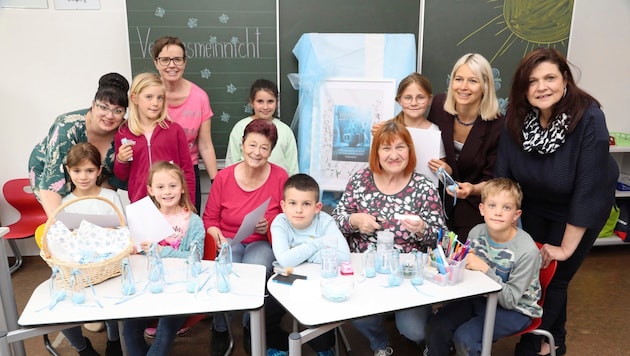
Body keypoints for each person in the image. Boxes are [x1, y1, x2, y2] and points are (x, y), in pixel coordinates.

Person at [495, 48, 618, 356]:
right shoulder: (516, 115)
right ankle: (555, 339)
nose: (542, 87)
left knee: (556, 276)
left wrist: (564, 248)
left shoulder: (589, 117)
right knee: (536, 272)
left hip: (582, 205)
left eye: (549, 77)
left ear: (565, 79)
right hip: (537, 201)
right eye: (532, 81)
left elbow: (587, 189)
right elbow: (504, 175)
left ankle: (536, 343)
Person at [332, 121, 446, 356]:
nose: (393, 155)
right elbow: (334, 221)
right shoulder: (360, 180)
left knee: (414, 330)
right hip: (366, 272)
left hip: (409, 274)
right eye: (386, 148)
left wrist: (422, 229)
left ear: (409, 151)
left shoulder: (424, 187)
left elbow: (442, 240)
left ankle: (426, 336)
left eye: (400, 147)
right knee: (356, 312)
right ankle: (380, 344)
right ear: (376, 153)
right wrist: (355, 220)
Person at [425, 178, 542, 356]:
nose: (498, 213)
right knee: (437, 324)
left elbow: (510, 300)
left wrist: (485, 269)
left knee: (466, 338)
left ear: (516, 215)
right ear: (482, 209)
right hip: (481, 298)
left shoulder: (527, 252)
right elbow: (470, 274)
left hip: (517, 310)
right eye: (492, 205)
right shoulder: (476, 233)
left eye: (507, 208)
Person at [203, 119, 288, 356]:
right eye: (252, 145)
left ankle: (252, 328)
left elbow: (287, 221)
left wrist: (268, 225)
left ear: (271, 151)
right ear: (242, 144)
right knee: (224, 268)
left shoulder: (280, 177)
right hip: (229, 239)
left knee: (255, 268)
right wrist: (214, 233)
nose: (257, 152)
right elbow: (209, 219)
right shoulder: (224, 177)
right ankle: (220, 328)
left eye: (264, 148)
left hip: (261, 241)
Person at [122, 161, 205, 356]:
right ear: (150, 190)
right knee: (128, 329)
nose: (167, 192)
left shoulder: (193, 222)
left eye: (173, 186)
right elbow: (137, 253)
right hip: (148, 289)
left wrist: (160, 251)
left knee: (165, 328)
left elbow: (195, 259)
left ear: (182, 188)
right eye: (160, 187)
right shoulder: (143, 219)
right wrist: (133, 249)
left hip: (180, 291)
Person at [267, 173, 351, 356]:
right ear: (283, 206)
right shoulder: (280, 222)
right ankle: (277, 346)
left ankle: (324, 347)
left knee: (319, 307)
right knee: (267, 307)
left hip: (318, 278)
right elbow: (286, 260)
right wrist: (318, 244)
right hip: (285, 278)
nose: (299, 210)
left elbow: (344, 257)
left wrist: (301, 255)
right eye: (292, 203)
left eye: (306, 204)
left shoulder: (325, 221)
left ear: (317, 207)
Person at [29, 72, 129, 217]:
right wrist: (62, 227)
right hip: (50, 172)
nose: (110, 116)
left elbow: (108, 185)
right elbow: (52, 184)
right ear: (93, 105)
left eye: (118, 111)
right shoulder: (66, 128)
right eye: (103, 107)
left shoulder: (125, 132)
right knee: (66, 220)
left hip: (93, 179)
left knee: (92, 219)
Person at [427, 53, 503, 242]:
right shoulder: (438, 105)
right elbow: (418, 130)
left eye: (472, 81)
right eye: (458, 79)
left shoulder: (498, 125)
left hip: (474, 205)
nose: (463, 87)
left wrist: (473, 189)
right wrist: (386, 127)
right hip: (435, 200)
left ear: (485, 87)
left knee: (461, 260)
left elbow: (495, 178)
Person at [57, 142, 125, 356]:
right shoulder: (64, 203)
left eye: (89, 170)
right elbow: (61, 242)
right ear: (68, 171)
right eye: (77, 171)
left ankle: (114, 338)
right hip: (76, 270)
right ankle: (82, 347)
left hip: (108, 267)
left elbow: (122, 231)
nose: (83, 176)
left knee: (115, 297)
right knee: (59, 307)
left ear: (98, 171)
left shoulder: (111, 198)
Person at [152, 35, 218, 212]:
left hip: (187, 173)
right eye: (165, 60)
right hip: (155, 174)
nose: (171, 65)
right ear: (156, 62)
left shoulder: (199, 97)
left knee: (188, 226)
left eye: (177, 59)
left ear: (185, 62)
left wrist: (216, 183)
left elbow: (205, 145)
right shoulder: (149, 96)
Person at [114, 72, 195, 205]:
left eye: (160, 98)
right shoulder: (123, 133)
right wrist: (121, 160)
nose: (155, 103)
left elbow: (187, 171)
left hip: (172, 204)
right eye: (149, 97)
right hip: (140, 204)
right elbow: (122, 176)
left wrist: (189, 203)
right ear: (134, 98)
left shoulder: (174, 130)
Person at [225, 79, 299, 175]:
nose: (265, 107)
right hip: (247, 184)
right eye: (260, 101)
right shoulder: (240, 128)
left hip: (278, 187)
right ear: (252, 102)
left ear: (277, 102)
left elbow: (293, 169)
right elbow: (231, 163)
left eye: (270, 101)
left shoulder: (285, 131)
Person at [372, 72, 445, 158]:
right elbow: (376, 161)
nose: (414, 103)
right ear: (399, 100)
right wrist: (379, 135)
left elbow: (440, 164)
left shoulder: (435, 132)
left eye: (420, 97)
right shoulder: (387, 129)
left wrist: (444, 168)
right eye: (408, 98)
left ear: (429, 100)